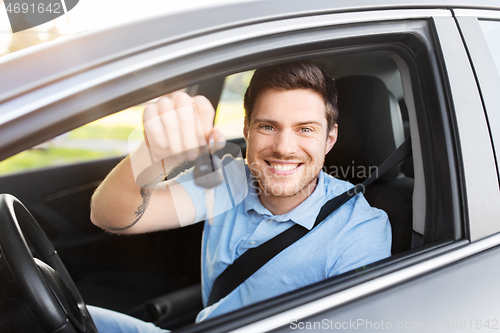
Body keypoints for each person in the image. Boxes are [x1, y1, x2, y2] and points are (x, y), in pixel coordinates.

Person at [89, 61, 391, 332]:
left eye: (305, 129)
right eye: (268, 126)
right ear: (247, 130)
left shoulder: (360, 229)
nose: (284, 147)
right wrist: (155, 154)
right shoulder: (227, 179)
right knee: (75, 319)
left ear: (330, 139)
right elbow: (111, 217)